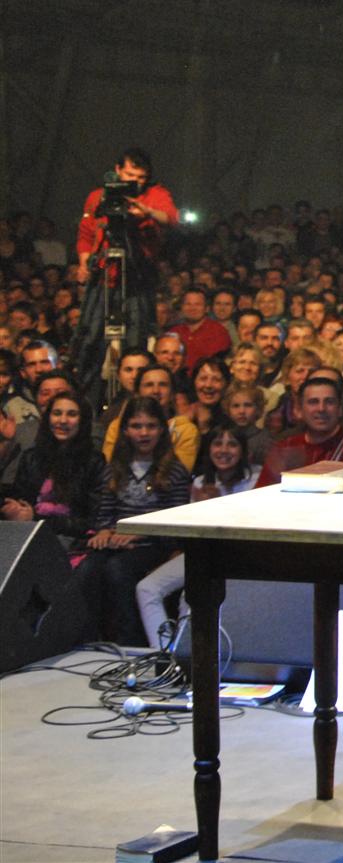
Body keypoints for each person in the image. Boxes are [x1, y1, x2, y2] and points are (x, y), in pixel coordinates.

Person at [72, 396, 190, 645]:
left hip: (154, 544)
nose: (144, 433)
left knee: (118, 570)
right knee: (87, 570)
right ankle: (88, 641)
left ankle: (130, 642)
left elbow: (176, 522)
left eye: (151, 426)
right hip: (117, 540)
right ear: (125, 430)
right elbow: (105, 512)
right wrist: (104, 531)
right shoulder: (115, 467)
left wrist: (137, 532)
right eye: (136, 426)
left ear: (162, 429)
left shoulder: (175, 471)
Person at [134, 422, 261, 647]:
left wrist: (218, 503)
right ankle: (165, 653)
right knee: (146, 588)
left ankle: (189, 655)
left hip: (241, 557)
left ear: (243, 450)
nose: (223, 450)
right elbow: (196, 532)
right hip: (202, 553)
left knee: (191, 595)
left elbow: (250, 531)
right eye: (217, 444)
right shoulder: (201, 481)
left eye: (232, 444)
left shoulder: (256, 480)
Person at [69, 149, 176, 401]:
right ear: (117, 170)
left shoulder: (154, 194)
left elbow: (171, 218)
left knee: (135, 342)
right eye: (129, 175)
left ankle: (136, 399)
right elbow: (86, 233)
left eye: (140, 177)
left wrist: (147, 212)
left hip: (137, 277)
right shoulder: (99, 196)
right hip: (104, 276)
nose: (135, 182)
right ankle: (83, 398)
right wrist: (84, 263)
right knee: (90, 339)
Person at [1, 391, 105, 562]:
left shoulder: (93, 461)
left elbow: (90, 520)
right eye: (57, 413)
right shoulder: (31, 457)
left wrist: (36, 518)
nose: (62, 420)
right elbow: (21, 500)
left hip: (72, 541)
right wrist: (13, 509)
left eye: (71, 414)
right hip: (29, 533)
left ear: (83, 420)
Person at [255, 374, 343, 487]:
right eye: (313, 402)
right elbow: (262, 492)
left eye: (329, 402)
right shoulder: (286, 446)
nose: (321, 408)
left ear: (340, 408)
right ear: (299, 410)